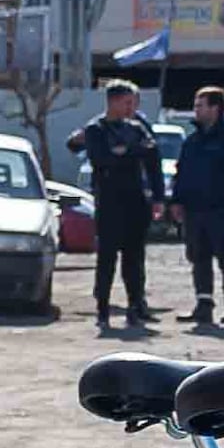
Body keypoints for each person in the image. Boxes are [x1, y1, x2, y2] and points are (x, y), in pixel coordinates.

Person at [66, 79, 161, 328]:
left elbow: (152, 160)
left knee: (135, 258)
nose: (132, 107)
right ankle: (103, 308)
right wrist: (131, 152)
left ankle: (136, 306)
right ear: (113, 102)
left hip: (136, 201)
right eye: (127, 102)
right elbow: (102, 159)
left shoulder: (138, 128)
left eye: (134, 102)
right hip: (109, 201)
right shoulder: (97, 129)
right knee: (107, 257)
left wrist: (158, 197)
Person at [167, 83, 224, 333]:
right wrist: (177, 201)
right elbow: (182, 173)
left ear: (215, 108)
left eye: (200, 105)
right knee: (199, 259)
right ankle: (203, 307)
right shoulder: (192, 141)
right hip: (196, 211)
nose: (196, 110)